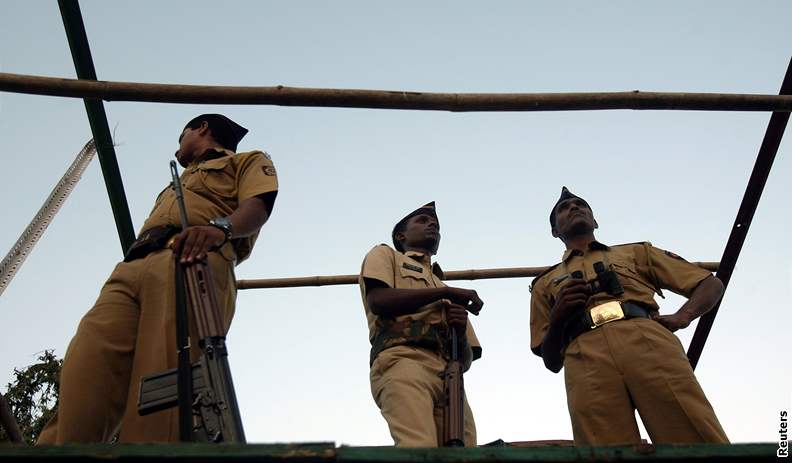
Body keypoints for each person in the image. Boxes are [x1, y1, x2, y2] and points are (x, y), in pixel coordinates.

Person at [37, 114, 279, 443]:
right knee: (87, 366)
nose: (178, 145)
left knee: (163, 385)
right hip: (133, 264)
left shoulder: (246, 161)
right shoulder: (175, 183)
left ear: (202, 128)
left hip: (190, 257)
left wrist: (220, 229)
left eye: (183, 135)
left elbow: (259, 205)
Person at [529, 187, 729, 446]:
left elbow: (710, 285)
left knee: (691, 430)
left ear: (595, 221)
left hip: (646, 339)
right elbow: (551, 360)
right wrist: (558, 318)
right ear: (555, 231)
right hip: (584, 356)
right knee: (603, 449)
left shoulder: (636, 253)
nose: (574, 208)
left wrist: (683, 316)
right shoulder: (544, 283)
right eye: (564, 209)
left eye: (581, 204)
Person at [358, 202, 484, 447]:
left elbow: (466, 361)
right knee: (418, 446)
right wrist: (442, 294)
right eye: (422, 220)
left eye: (435, 224)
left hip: (449, 374)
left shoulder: (444, 286)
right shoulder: (386, 255)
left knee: (465, 452)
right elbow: (379, 300)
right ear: (400, 235)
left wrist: (459, 332)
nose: (432, 225)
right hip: (403, 359)